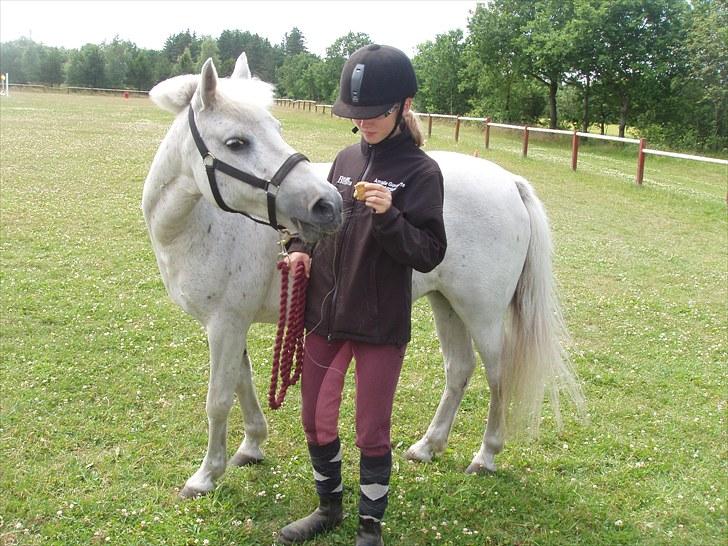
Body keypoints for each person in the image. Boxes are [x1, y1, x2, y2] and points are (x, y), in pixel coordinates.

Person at [277, 44, 447, 546]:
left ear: (404, 106)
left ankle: (369, 528)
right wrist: (298, 247)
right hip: (325, 315)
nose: (365, 123)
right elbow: (317, 222)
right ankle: (328, 507)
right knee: (313, 418)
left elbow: (430, 252)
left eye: (375, 113)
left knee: (372, 430)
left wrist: (391, 217)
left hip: (378, 325)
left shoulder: (421, 173)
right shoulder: (346, 159)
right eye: (357, 114)